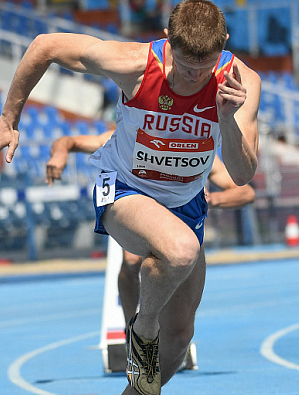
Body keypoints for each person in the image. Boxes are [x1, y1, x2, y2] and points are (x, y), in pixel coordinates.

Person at [0, 0, 261, 395]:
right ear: (168, 42)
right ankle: (141, 328)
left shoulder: (242, 84)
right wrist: (9, 117)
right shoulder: (133, 64)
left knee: (180, 341)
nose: (192, 78)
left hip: (184, 203)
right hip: (123, 187)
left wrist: (226, 121)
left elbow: (243, 175)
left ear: (222, 47)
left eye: (203, 69)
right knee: (179, 252)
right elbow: (45, 45)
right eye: (184, 67)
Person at [45, 129, 256, 325]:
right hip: (138, 209)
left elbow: (246, 192)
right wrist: (59, 154)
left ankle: (167, 331)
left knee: (179, 276)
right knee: (131, 259)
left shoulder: (192, 145)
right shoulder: (124, 135)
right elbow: (68, 141)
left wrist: (212, 198)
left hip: (181, 217)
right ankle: (132, 329)